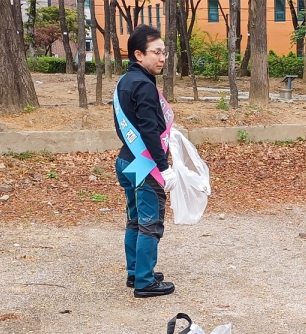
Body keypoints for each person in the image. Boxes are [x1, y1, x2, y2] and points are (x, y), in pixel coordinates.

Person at [113, 24, 178, 298]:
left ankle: (136, 272)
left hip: (128, 161)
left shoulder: (125, 81)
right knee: (150, 223)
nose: (162, 58)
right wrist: (164, 167)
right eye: (156, 52)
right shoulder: (144, 85)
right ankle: (144, 282)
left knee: (135, 220)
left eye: (164, 52)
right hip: (146, 164)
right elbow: (150, 130)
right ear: (139, 54)